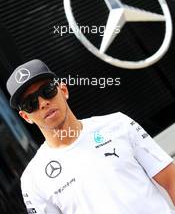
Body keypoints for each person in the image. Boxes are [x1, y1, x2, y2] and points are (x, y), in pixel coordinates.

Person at [6, 59, 175, 214]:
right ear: (26, 116)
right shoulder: (33, 179)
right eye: (31, 103)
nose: (43, 103)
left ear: (63, 90)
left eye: (47, 90)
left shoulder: (118, 124)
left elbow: (171, 181)